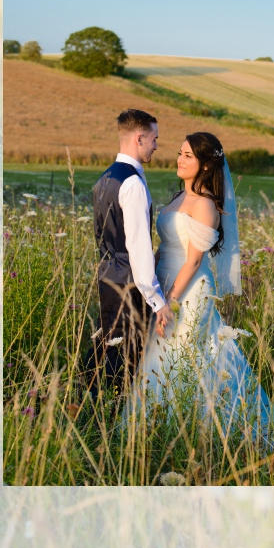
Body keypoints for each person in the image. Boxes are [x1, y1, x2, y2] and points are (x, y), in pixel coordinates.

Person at [128, 131, 274, 453]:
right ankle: (159, 430)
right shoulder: (178, 198)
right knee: (160, 357)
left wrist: (171, 302)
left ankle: (207, 433)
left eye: (188, 155)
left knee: (185, 359)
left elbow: (192, 261)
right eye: (180, 153)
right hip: (165, 285)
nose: (180, 159)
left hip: (189, 292)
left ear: (206, 165)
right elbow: (163, 248)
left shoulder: (205, 205)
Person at [89, 109, 167, 397]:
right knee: (125, 358)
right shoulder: (132, 183)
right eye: (154, 139)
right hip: (129, 283)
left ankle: (89, 404)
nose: (156, 146)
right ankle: (110, 416)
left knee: (108, 346)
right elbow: (138, 247)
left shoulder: (105, 177)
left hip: (107, 276)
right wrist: (157, 300)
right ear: (139, 138)